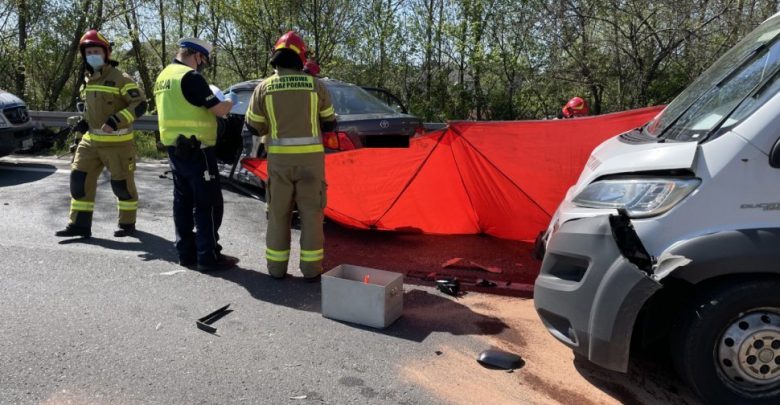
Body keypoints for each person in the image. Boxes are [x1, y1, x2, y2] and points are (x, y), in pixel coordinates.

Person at [245, 31, 336, 281]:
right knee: (312, 217)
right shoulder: (316, 86)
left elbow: (254, 127)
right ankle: (310, 270)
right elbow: (329, 124)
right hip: (311, 164)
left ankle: (276, 269)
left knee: (278, 215)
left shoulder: (264, 88)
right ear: (301, 56)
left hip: (279, 163)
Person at [153, 37, 237, 271]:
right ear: (197, 55)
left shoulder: (163, 77)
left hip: (175, 150)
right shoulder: (190, 77)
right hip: (198, 151)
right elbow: (219, 110)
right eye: (203, 61)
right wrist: (230, 101)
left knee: (182, 202)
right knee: (207, 204)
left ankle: (186, 254)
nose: (202, 66)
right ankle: (208, 257)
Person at [56, 29, 147, 239]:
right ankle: (79, 225)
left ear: (106, 53)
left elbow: (140, 104)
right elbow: (91, 111)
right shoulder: (88, 80)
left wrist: (116, 120)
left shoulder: (121, 78)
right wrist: (81, 130)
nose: (92, 55)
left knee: (121, 186)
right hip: (91, 142)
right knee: (79, 180)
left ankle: (127, 223)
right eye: (88, 52)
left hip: (118, 144)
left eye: (96, 51)